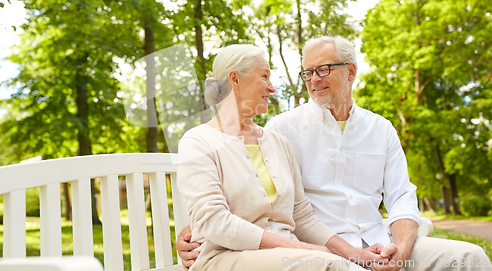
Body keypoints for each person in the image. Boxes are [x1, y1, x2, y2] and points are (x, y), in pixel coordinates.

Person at [178, 36, 492, 271]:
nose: (312, 80)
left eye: (323, 69)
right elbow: (216, 214)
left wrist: (399, 250)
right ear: (234, 78)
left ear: (351, 71)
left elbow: (399, 198)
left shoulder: (376, 129)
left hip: (366, 242)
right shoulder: (280, 127)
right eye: (307, 72)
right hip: (304, 253)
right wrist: (194, 230)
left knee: (471, 257)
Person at [176, 44, 387, 271]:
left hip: (287, 258)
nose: (272, 88)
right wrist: (302, 249)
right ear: (235, 79)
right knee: (328, 265)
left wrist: (355, 254)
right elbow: (214, 221)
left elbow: (302, 216)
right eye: (264, 76)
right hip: (225, 258)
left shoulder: (278, 142)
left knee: (335, 263)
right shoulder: (198, 142)